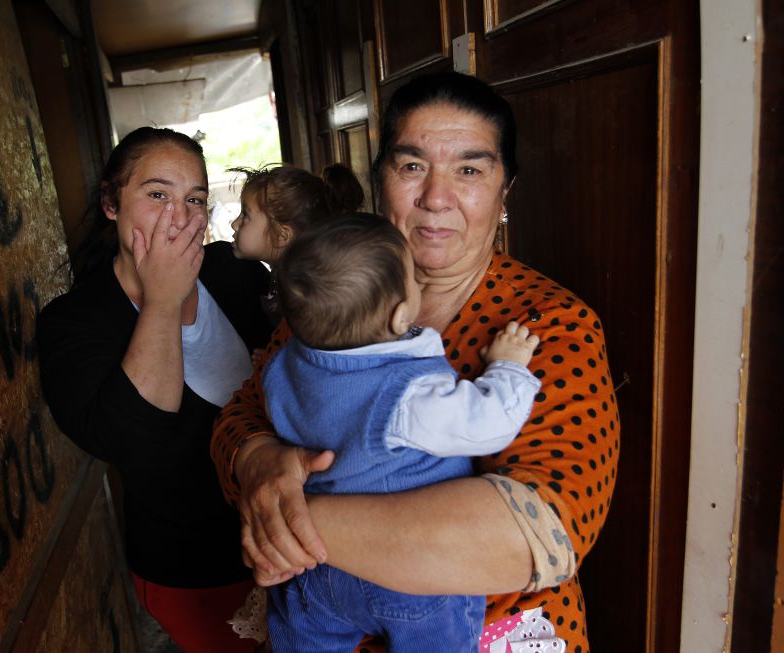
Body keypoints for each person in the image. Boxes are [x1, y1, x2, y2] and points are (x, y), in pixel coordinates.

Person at [211, 72, 620, 653]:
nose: (435, 197)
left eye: (470, 170)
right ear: (381, 182)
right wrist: (258, 458)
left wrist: (290, 522)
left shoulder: (547, 326)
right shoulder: (334, 304)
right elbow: (239, 418)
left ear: (506, 192)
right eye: (411, 167)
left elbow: (538, 533)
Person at [37, 127, 272, 653]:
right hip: (196, 571)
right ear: (111, 204)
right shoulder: (74, 322)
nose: (179, 216)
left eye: (195, 199)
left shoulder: (236, 275)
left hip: (295, 543)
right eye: (157, 194)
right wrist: (162, 300)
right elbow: (133, 443)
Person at [262, 214, 541, 652]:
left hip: (320, 572)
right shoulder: (408, 393)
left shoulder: (283, 369)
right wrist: (508, 366)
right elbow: (489, 425)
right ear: (399, 315)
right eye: (411, 277)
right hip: (414, 581)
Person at [228, 164, 363, 322]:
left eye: (245, 216)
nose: (234, 224)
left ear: (281, 236)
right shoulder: (282, 279)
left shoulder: (302, 294)